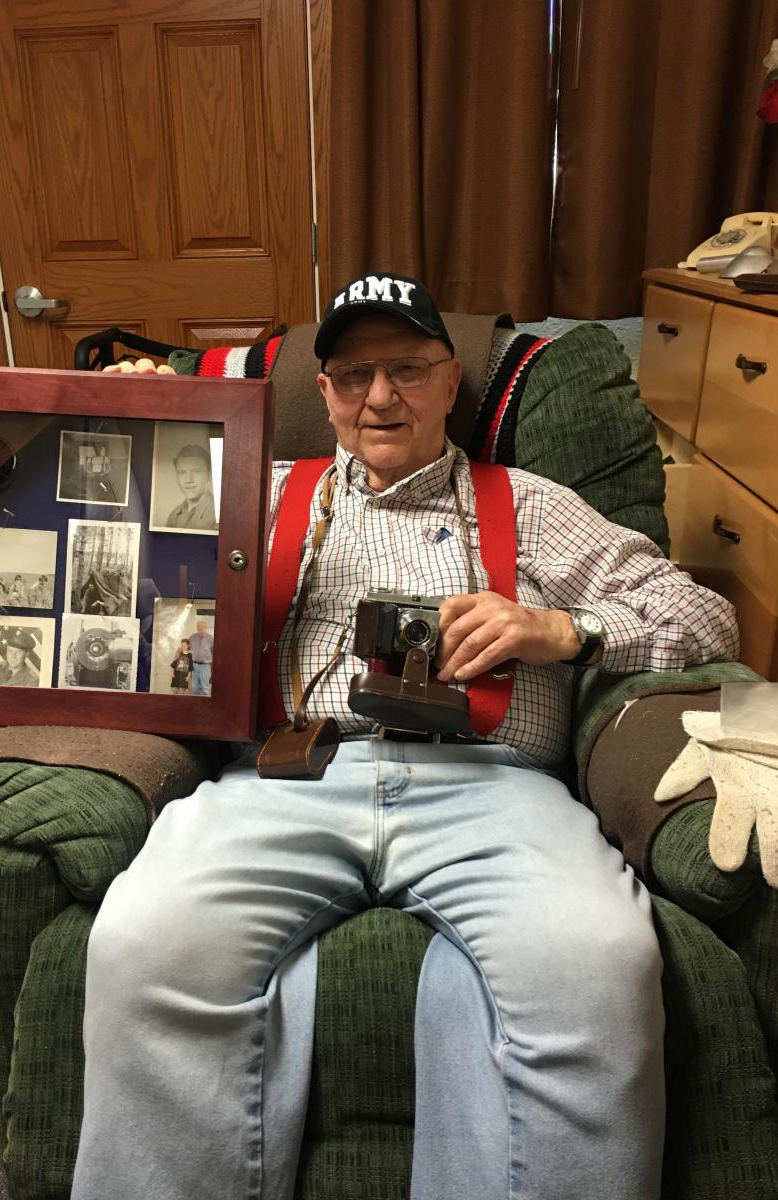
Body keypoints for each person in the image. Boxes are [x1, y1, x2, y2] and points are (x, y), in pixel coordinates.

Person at [77, 274, 739, 1200]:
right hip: (289, 778)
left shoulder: (532, 503)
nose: (379, 398)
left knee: (596, 963)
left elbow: (705, 618)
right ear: (322, 393)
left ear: (450, 379)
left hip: (493, 787)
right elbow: (115, 544)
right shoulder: (256, 490)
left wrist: (562, 629)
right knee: (142, 943)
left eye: (406, 370)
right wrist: (139, 415)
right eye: (353, 376)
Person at [165, 444, 217, 530]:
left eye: (196, 471)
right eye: (182, 472)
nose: (188, 480)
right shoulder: (174, 515)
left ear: (209, 474)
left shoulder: (218, 514)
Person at [187, 618, 213, 696]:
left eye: (202, 626)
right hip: (194, 666)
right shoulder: (192, 637)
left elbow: (214, 652)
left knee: (205, 688)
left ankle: (205, 707)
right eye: (198, 626)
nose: (200, 628)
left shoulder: (210, 638)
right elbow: (185, 648)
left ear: (206, 627)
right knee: (194, 688)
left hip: (205, 666)